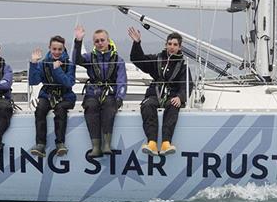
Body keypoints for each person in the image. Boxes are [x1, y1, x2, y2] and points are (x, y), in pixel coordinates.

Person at [128, 27, 193, 155]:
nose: (172, 47)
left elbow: (188, 85)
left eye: (175, 45)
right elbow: (137, 59)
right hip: (155, 94)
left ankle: (166, 143)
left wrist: (180, 97)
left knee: (173, 106)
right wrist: (137, 43)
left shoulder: (183, 66)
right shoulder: (157, 59)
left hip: (172, 96)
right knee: (147, 105)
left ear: (180, 47)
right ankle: (151, 143)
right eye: (169, 44)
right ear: (166, 45)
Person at [73, 24, 127, 158]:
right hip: (93, 93)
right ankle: (96, 147)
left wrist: (119, 97)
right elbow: (76, 60)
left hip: (110, 93)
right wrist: (78, 41)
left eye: (102, 40)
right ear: (94, 43)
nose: (100, 43)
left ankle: (106, 144)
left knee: (109, 107)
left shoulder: (118, 60)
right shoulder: (89, 57)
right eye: (97, 41)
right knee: (91, 108)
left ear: (108, 41)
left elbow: (122, 80)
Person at [29, 35, 76, 157]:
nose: (57, 52)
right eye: (54, 49)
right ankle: (40, 144)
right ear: (49, 48)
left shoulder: (70, 64)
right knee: (40, 110)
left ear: (63, 49)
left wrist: (57, 70)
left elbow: (69, 82)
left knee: (60, 110)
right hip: (47, 94)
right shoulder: (43, 64)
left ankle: (60, 143)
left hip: (66, 96)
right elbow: (34, 81)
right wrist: (34, 64)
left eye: (59, 49)